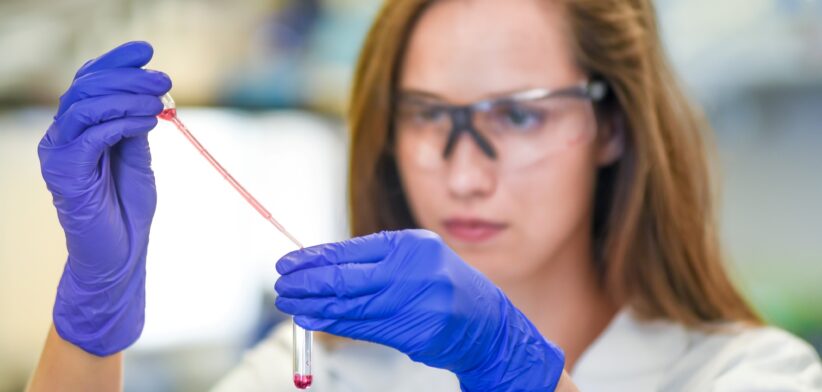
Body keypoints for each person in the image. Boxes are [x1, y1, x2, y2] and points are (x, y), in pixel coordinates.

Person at [27, 0, 822, 391]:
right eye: (427, 115)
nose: (463, 173)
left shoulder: (750, 374)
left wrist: (517, 373)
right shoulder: (329, 371)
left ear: (613, 125)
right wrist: (91, 321)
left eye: (517, 113)